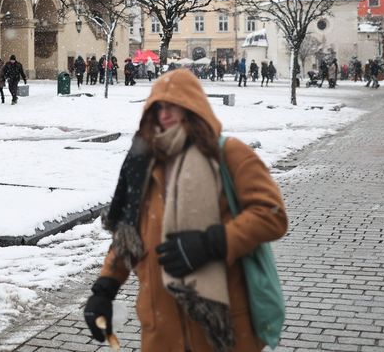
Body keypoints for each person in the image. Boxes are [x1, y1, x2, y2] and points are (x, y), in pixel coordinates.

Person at [84, 69, 288, 352]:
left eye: (173, 106)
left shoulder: (228, 154)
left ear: (193, 108)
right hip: (161, 333)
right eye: (158, 108)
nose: (164, 114)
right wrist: (104, 289)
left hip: (220, 329)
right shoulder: (143, 163)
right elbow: (127, 235)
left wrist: (212, 243)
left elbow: (272, 214)